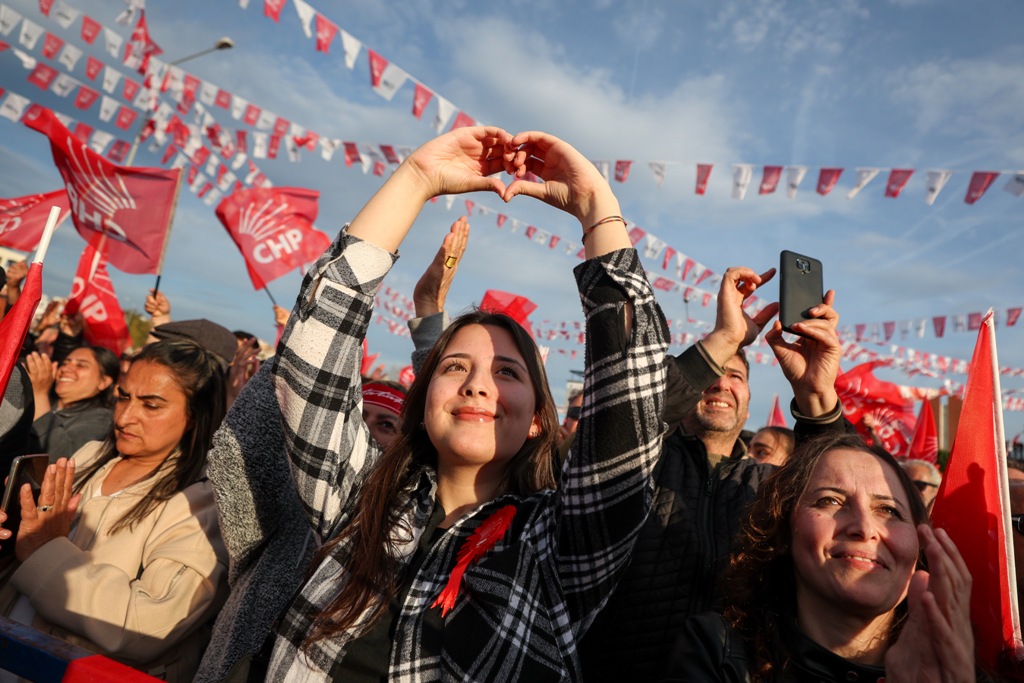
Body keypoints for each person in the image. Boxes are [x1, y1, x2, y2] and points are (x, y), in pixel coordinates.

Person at [261, 125, 668, 681]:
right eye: (455, 368)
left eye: (508, 373)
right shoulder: (358, 501)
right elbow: (311, 356)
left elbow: (631, 396)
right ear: (424, 400)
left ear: (536, 422)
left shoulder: (559, 547)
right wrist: (416, 179)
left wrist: (598, 206)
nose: (480, 386)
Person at [196, 218, 484, 683]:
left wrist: (431, 316)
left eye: (386, 424)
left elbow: (444, 421)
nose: (365, 431)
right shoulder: (293, 511)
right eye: (359, 417)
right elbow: (301, 397)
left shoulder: (414, 531)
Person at [579, 273, 845, 681]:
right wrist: (724, 338)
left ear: (749, 398)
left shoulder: (769, 486)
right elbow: (628, 415)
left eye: (736, 376)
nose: (721, 383)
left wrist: (816, 394)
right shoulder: (638, 461)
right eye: (713, 370)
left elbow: (850, 494)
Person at [0, 340, 229, 682]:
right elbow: (23, 560)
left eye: (151, 405)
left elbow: (146, 627)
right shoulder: (92, 455)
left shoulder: (202, 503)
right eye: (124, 397)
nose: (124, 417)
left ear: (194, 417)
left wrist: (44, 549)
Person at [661, 432, 974, 681]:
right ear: (783, 533)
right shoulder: (717, 651)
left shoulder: (973, 667)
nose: (865, 528)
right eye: (830, 502)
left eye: (889, 510)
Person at [26, 344, 119, 461]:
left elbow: (61, 458)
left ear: (103, 382)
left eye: (80, 365)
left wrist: (40, 394)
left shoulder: (103, 419)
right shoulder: (50, 403)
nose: (65, 369)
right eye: (64, 363)